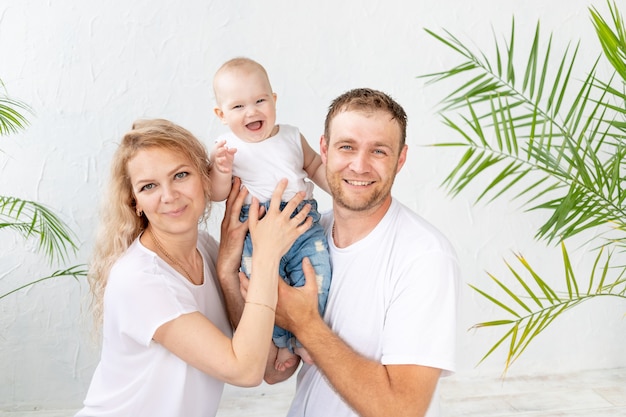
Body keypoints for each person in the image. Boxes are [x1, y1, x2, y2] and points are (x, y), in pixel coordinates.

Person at [220, 88, 460, 417]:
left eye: (379, 151)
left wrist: (304, 323)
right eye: (347, 147)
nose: (359, 166)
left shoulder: (424, 256)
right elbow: (273, 372)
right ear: (324, 149)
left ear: (400, 159)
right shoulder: (303, 236)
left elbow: (403, 410)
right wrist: (226, 272)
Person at [75, 119, 312, 417]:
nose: (169, 195)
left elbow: (272, 370)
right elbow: (245, 370)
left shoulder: (207, 249)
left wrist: (227, 275)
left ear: (205, 177)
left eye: (180, 175)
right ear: (135, 202)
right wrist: (266, 257)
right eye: (149, 186)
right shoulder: (140, 280)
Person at [210, 57, 332, 371]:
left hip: (302, 225)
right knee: (260, 291)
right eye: (237, 107)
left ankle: (306, 336)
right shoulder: (226, 147)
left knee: (317, 275)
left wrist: (338, 189)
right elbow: (218, 193)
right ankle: (279, 343)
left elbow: (315, 165)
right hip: (255, 231)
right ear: (221, 115)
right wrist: (221, 170)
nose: (251, 111)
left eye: (260, 100)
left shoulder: (291, 136)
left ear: (274, 100)